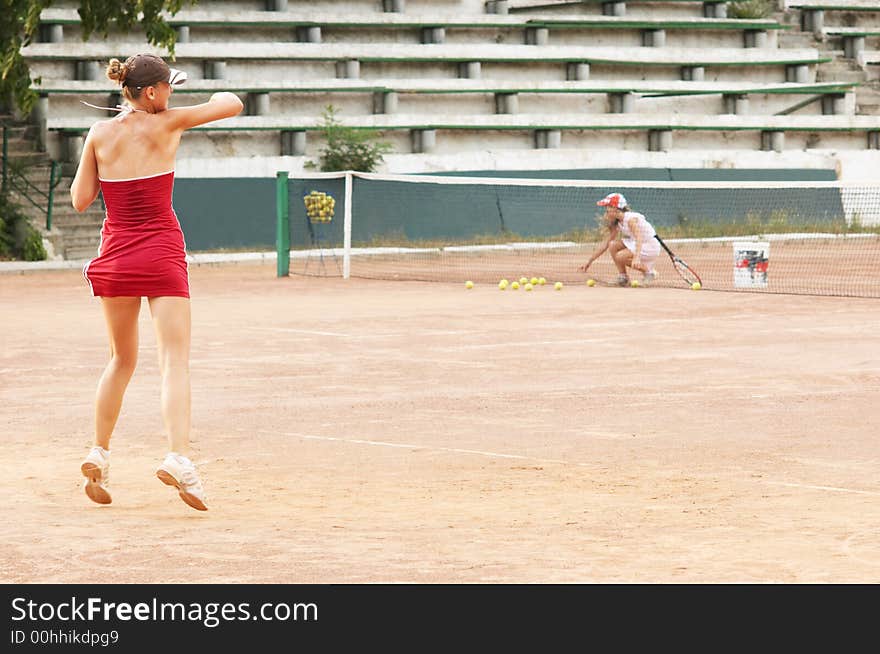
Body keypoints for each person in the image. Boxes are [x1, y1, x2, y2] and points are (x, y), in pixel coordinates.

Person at [71, 53, 244, 511]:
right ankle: (179, 458)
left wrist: (107, 147)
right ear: (151, 93)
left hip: (117, 255)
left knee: (120, 360)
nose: (170, 94)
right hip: (161, 252)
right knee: (174, 361)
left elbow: (80, 200)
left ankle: (99, 452)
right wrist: (174, 109)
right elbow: (232, 103)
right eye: (167, 87)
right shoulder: (168, 122)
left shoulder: (99, 133)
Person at [578, 192, 661, 286]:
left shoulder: (630, 220)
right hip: (637, 242)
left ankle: (649, 273)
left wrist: (636, 258)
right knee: (612, 245)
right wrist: (589, 262)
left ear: (615, 208)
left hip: (649, 246)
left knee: (620, 256)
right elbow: (606, 244)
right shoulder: (617, 222)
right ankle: (623, 278)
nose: (606, 211)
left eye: (608, 207)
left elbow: (639, 238)